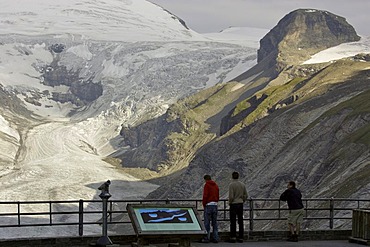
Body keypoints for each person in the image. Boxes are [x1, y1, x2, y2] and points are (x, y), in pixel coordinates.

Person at [228, 171, 248, 243]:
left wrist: (230, 202)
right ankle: (241, 237)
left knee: (233, 221)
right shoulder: (242, 185)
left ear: (232, 176)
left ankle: (233, 237)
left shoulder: (231, 185)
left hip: (234, 204)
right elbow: (246, 195)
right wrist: (243, 200)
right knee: (240, 221)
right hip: (240, 204)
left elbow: (231, 196)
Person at [200, 174, 219, 243]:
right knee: (214, 222)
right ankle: (216, 237)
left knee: (207, 222)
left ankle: (207, 237)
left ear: (205, 179)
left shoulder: (207, 185)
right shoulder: (216, 185)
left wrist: (204, 204)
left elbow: (205, 195)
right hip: (215, 205)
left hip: (208, 205)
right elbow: (217, 194)